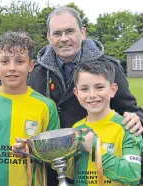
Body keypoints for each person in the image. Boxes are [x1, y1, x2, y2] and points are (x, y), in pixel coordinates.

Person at [27, 6, 143, 185]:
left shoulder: (109, 66)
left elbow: (130, 110)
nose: (64, 38)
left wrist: (137, 118)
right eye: (57, 33)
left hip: (103, 168)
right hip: (55, 168)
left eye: (70, 31)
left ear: (83, 32)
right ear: (49, 37)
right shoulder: (36, 72)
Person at [0, 31, 60, 186]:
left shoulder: (47, 106)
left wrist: (34, 151)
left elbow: (56, 157)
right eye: (5, 61)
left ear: (30, 66)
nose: (12, 68)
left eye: (20, 61)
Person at [65, 57, 142, 186]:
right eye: (84, 89)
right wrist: (64, 159)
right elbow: (72, 174)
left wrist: (96, 149)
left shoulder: (128, 126)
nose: (92, 95)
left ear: (113, 89)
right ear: (76, 93)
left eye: (99, 87)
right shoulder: (77, 128)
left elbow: (133, 175)